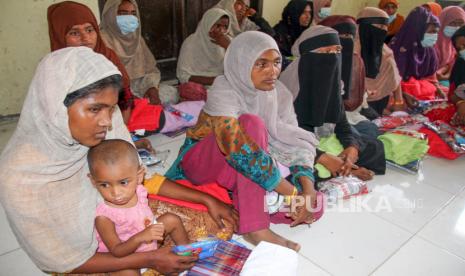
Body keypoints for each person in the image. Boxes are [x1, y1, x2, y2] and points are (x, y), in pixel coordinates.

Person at [0, 47, 238, 274]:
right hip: (84, 262)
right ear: (55, 106)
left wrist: (207, 200)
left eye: (111, 108)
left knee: (214, 223)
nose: (107, 121)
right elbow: (60, 260)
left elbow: (143, 180)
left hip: (127, 223)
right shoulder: (20, 176)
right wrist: (150, 258)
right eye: (95, 109)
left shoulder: (105, 129)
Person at [167, 31, 325, 252]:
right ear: (241, 63)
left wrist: (306, 191)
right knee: (251, 124)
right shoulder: (224, 88)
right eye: (261, 64)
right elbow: (236, 146)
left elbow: (294, 140)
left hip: (243, 168)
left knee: (315, 204)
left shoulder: (280, 93)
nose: (272, 71)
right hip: (202, 164)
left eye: (276, 62)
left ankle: (245, 206)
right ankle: (255, 228)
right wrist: (289, 192)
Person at [48, 1, 203, 139]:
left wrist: (151, 89)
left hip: (127, 105)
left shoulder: (111, 51)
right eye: (74, 33)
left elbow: (131, 89)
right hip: (98, 122)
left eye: (89, 30)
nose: (85, 37)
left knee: (168, 96)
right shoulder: (54, 70)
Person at [280, 25, 385, 180]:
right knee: (297, 168)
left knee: (375, 147)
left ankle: (343, 167)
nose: (333, 57)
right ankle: (346, 169)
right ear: (308, 54)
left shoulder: (332, 82)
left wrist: (352, 148)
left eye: (337, 51)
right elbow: (282, 137)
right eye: (326, 51)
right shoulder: (286, 86)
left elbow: (342, 125)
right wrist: (323, 157)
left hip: (322, 140)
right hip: (296, 146)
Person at [89, 139, 189, 276]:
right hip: (127, 257)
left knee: (171, 219)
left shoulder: (139, 191)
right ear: (93, 182)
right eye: (105, 185)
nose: (115, 193)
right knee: (127, 273)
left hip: (149, 241)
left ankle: (186, 257)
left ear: (139, 176)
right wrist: (140, 237)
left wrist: (148, 234)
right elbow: (117, 251)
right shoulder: (104, 217)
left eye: (123, 182)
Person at [100, 0, 177, 105]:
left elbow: (150, 69)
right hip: (115, 91)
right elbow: (102, 81)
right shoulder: (101, 41)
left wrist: (151, 89)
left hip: (139, 87)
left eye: (133, 13)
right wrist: (127, 96)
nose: (130, 18)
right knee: (118, 106)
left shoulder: (137, 38)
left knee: (171, 93)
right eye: (123, 13)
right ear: (111, 14)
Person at [319, 15, 380, 139]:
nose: (348, 41)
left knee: (371, 131)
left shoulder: (356, 61)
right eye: (343, 36)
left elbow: (358, 100)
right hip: (321, 119)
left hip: (350, 115)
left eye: (351, 36)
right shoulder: (314, 60)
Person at [355, 7, 404, 116]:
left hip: (381, 102)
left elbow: (395, 80)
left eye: (386, 27)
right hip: (354, 105)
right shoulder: (351, 52)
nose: (384, 31)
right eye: (380, 26)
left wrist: (398, 103)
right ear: (364, 26)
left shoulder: (386, 52)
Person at [176, 8, 231, 101]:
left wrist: (228, 46)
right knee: (190, 90)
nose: (221, 30)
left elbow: (239, 69)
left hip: (222, 84)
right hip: (200, 86)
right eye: (217, 25)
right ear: (207, 23)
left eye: (225, 27)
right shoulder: (191, 42)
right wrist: (214, 81)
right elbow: (183, 75)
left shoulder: (227, 41)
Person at [389, 6, 442, 101]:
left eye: (436, 32)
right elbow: (390, 81)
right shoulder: (396, 49)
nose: (434, 36)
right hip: (398, 92)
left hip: (424, 92)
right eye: (431, 32)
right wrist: (403, 94)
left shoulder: (429, 50)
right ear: (418, 30)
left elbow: (432, 78)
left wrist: (438, 89)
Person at [273, 0, 313, 67]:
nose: (308, 16)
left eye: (310, 12)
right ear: (293, 13)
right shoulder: (279, 32)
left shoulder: (306, 31)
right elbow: (278, 59)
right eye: (303, 12)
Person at [434, 6, 465, 83]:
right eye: (452, 23)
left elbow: (452, 64)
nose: (457, 27)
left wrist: (446, 75)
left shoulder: (458, 44)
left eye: (461, 23)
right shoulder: (430, 43)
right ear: (442, 22)